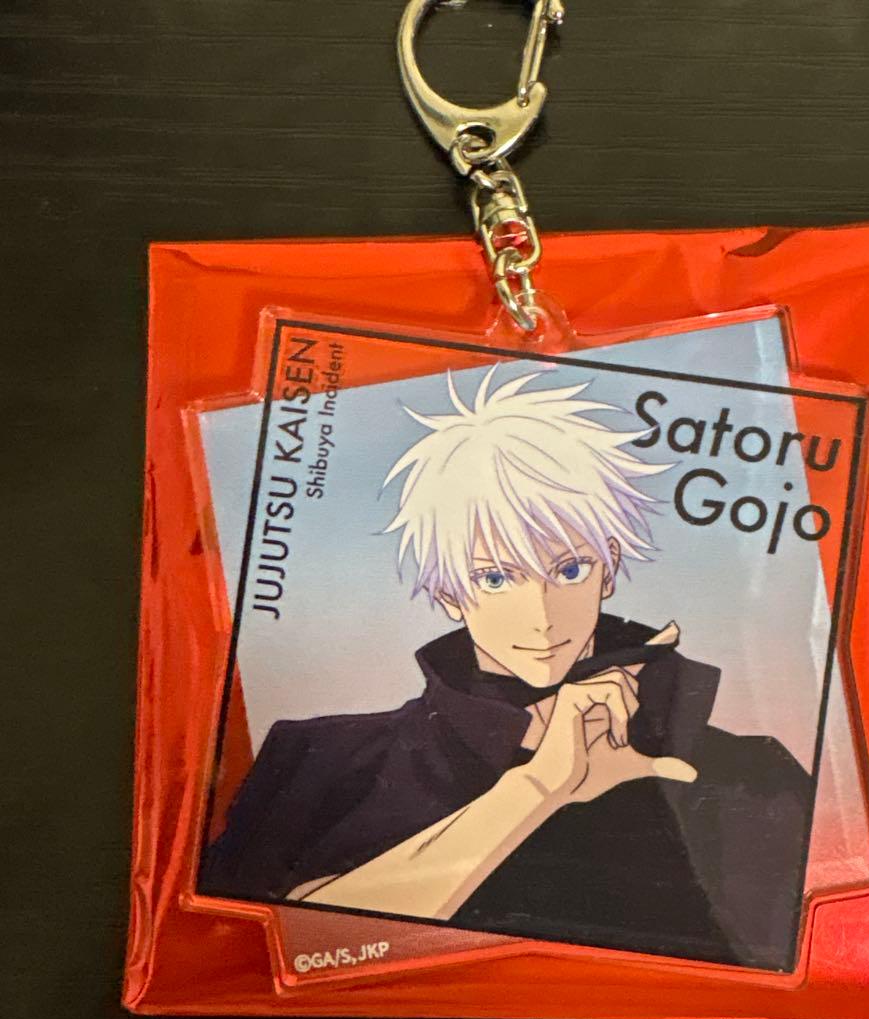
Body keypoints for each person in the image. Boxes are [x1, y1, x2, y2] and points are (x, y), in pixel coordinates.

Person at [201, 366, 813, 970]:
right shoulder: (319, 764)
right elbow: (250, 962)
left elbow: (791, 968)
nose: (541, 615)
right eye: (494, 578)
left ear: (608, 567)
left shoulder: (745, 773)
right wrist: (536, 790)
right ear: (448, 592)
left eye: (569, 570)